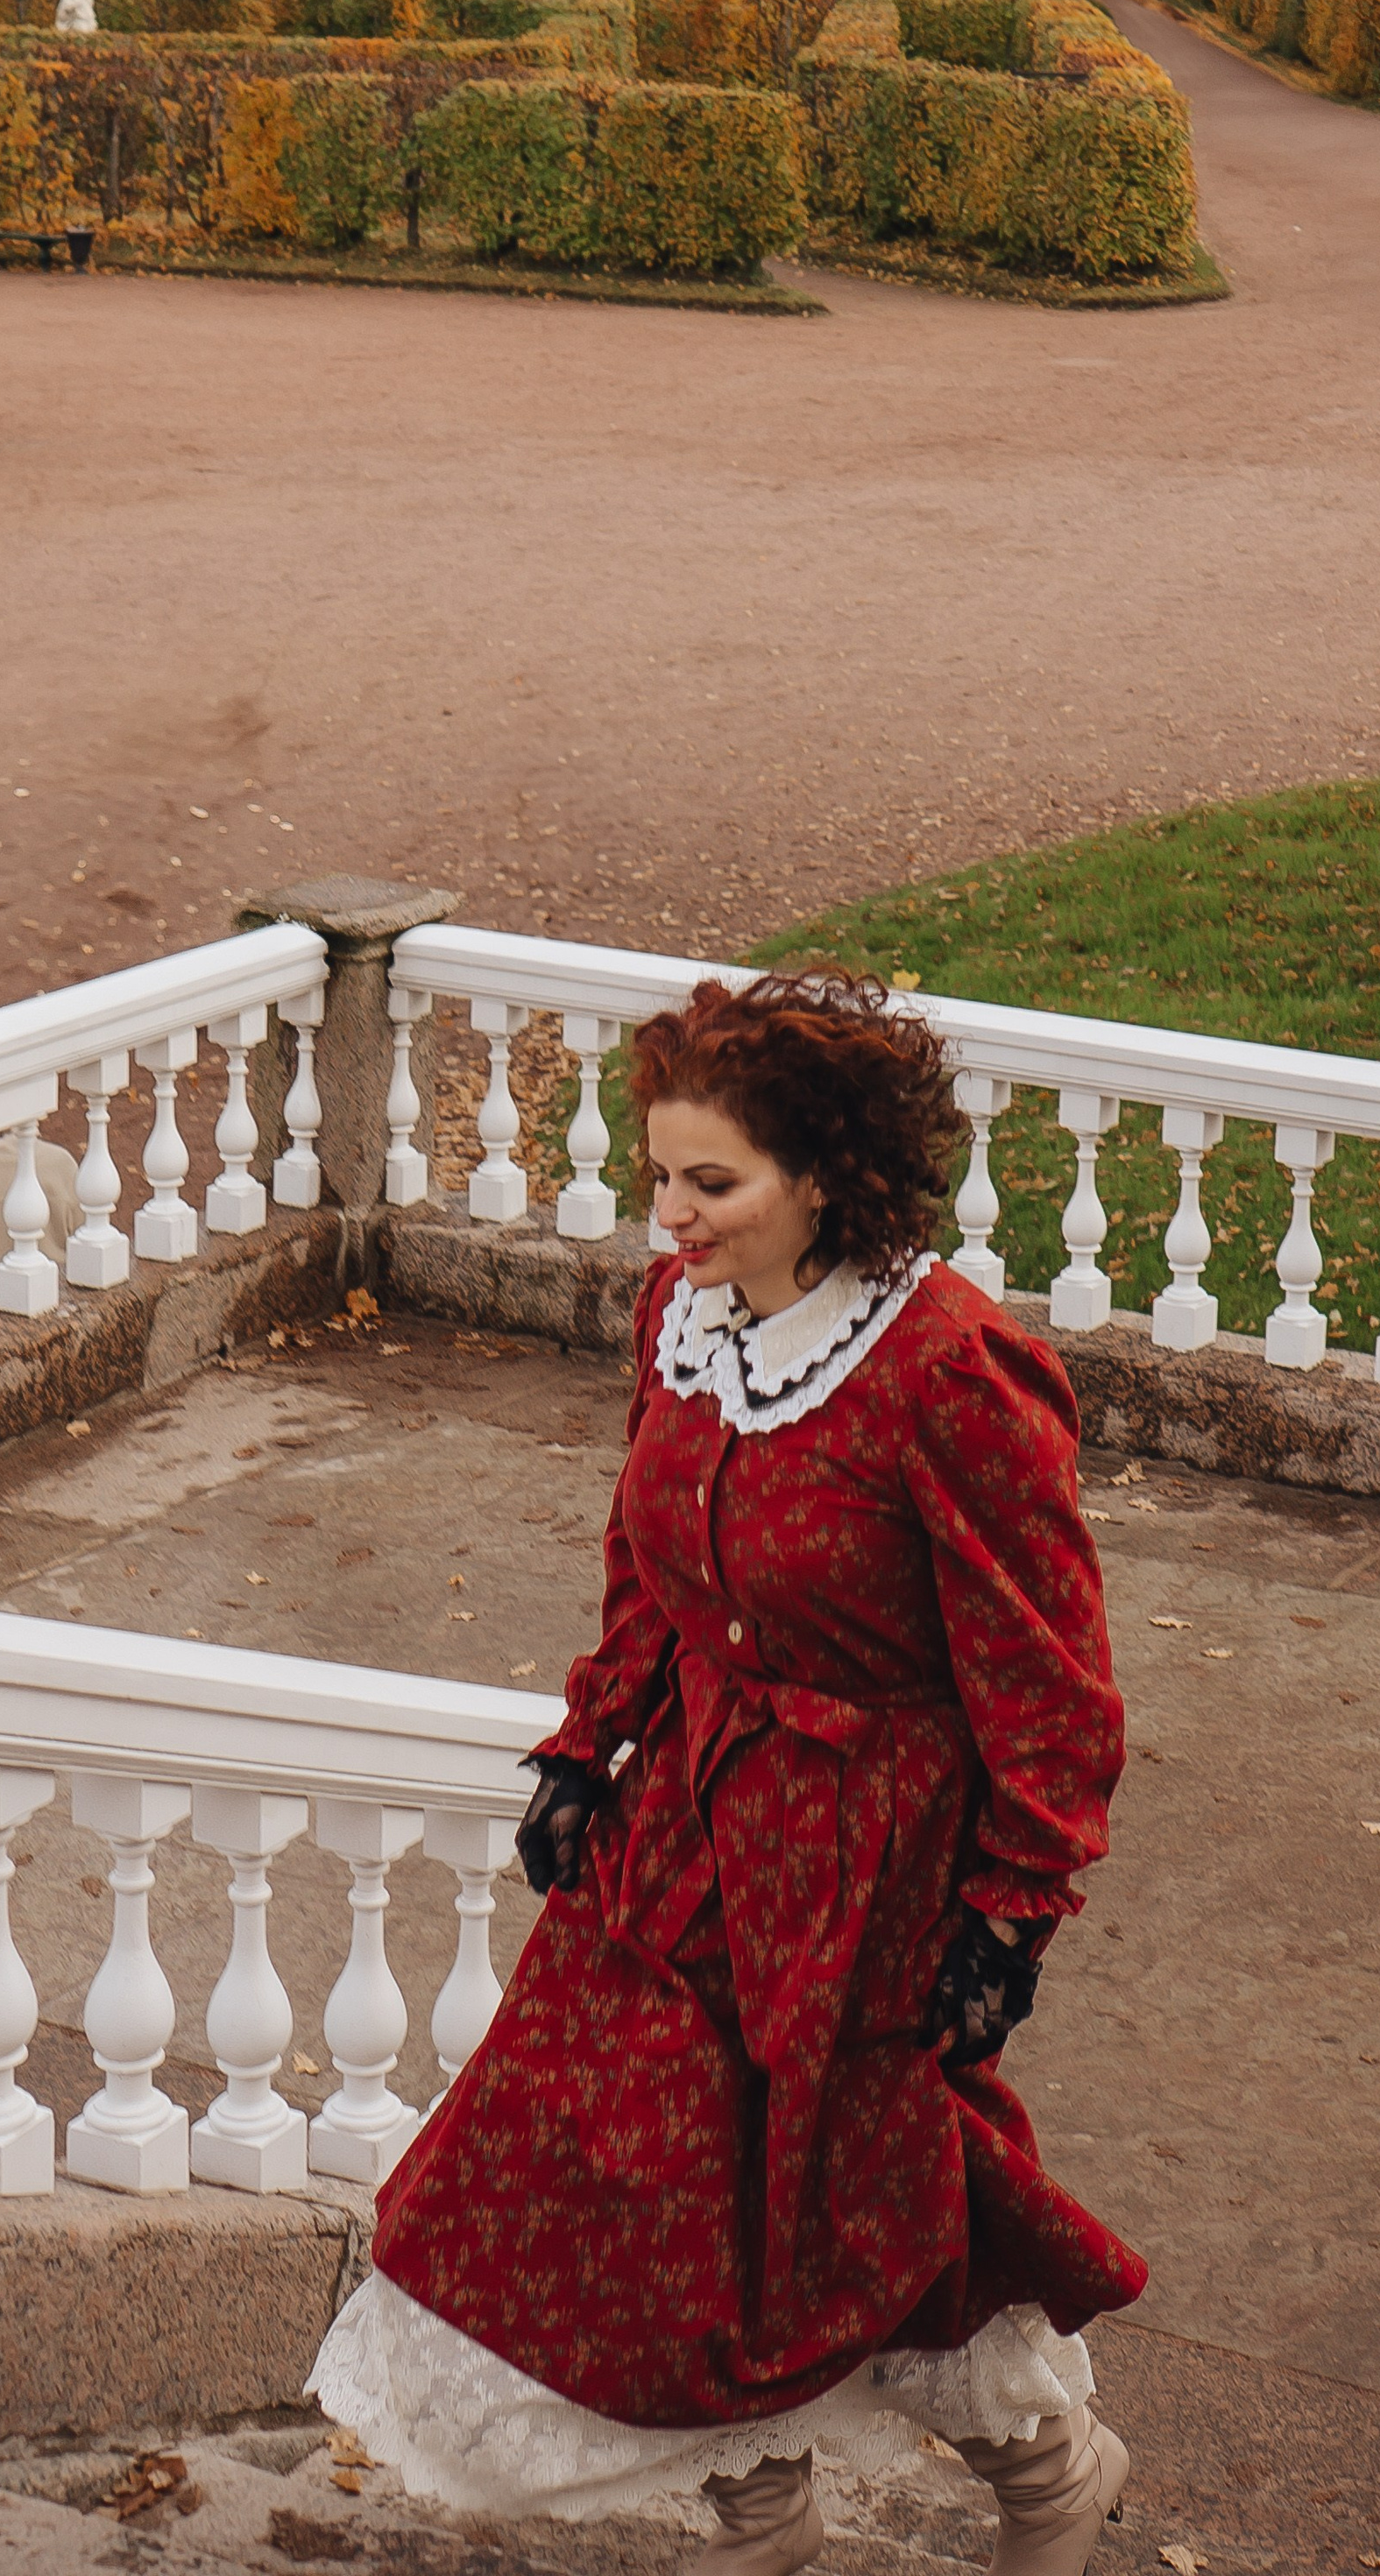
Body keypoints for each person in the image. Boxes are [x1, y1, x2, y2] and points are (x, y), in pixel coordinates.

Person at [311, 969, 1145, 2576]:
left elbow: (1050, 1676)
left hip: (863, 1853)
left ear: (827, 1176)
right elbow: (649, 1555)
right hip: (688, 1814)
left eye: (713, 1184)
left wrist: (1012, 1910)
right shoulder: (679, 1321)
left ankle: (1045, 2471)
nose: (672, 1218)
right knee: (598, 2177)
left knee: (847, 2209)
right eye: (659, 1177)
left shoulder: (947, 1373)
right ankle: (755, 2517)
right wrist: (592, 1736)